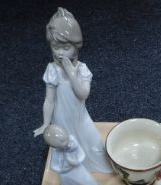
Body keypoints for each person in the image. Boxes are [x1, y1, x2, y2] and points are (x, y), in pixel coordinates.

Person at [34, 7, 112, 174]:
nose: (60, 52)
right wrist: (46, 123)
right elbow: (49, 100)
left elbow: (83, 94)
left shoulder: (82, 69)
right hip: (61, 117)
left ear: (76, 46)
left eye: (66, 47)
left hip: (79, 115)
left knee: (93, 143)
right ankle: (74, 174)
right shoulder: (52, 69)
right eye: (56, 47)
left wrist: (71, 73)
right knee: (67, 147)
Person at [43, 124, 112, 185]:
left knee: (88, 181)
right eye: (62, 143)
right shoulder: (56, 152)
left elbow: (82, 154)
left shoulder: (72, 141)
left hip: (78, 169)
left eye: (66, 140)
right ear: (54, 146)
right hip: (67, 175)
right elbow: (53, 166)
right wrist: (64, 169)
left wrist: (76, 161)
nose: (66, 144)